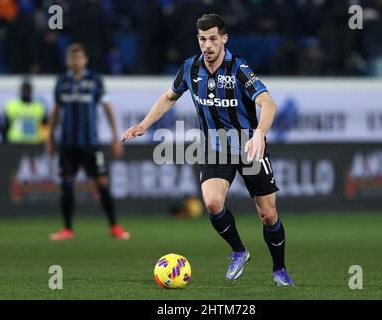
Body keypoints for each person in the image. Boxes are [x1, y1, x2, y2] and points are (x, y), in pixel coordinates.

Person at [121, 14, 293, 286]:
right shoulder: (190, 68)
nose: (207, 45)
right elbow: (169, 97)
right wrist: (144, 124)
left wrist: (259, 133)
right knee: (212, 203)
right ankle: (239, 251)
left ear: (224, 38)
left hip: (249, 146)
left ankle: (279, 269)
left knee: (268, 214)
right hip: (215, 147)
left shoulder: (238, 69)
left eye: (213, 38)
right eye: (202, 39)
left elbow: (268, 104)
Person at [46, 43, 130, 241]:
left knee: (101, 182)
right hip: (67, 144)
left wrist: (115, 136)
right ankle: (67, 229)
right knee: (66, 184)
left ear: (85, 60)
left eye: (78, 58)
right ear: (68, 60)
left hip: (90, 143)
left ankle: (114, 226)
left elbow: (107, 108)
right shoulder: (61, 82)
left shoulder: (95, 81)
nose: (75, 61)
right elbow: (56, 111)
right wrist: (49, 138)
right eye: (72, 58)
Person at [0, 80, 47, 144]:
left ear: (31, 90)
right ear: (20, 90)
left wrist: (43, 140)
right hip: (15, 142)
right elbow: (5, 127)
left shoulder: (39, 107)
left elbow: (45, 126)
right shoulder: (11, 106)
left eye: (28, 89)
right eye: (24, 89)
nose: (26, 92)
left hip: (34, 143)